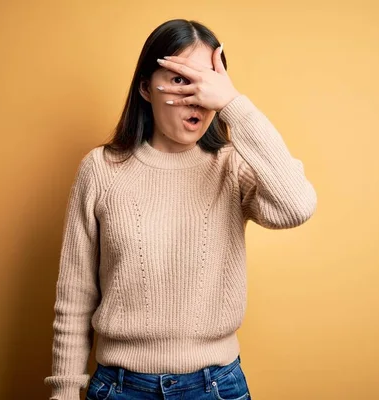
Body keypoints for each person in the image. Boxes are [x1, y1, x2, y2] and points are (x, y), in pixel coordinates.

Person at [43, 18, 317, 400]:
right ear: (145, 87)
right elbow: (75, 295)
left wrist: (234, 105)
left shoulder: (231, 166)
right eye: (179, 80)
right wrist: (65, 391)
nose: (195, 98)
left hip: (216, 388)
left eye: (205, 82)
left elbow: (297, 204)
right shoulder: (101, 169)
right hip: (120, 389)